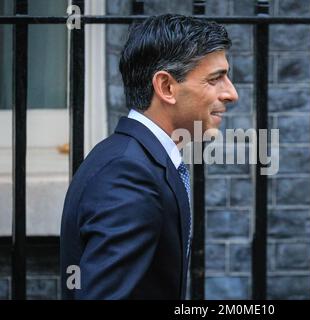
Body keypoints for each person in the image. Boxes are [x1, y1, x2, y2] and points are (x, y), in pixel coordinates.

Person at [60, 13, 238, 300]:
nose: (231, 93)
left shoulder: (131, 158)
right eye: (215, 79)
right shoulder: (128, 173)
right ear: (166, 87)